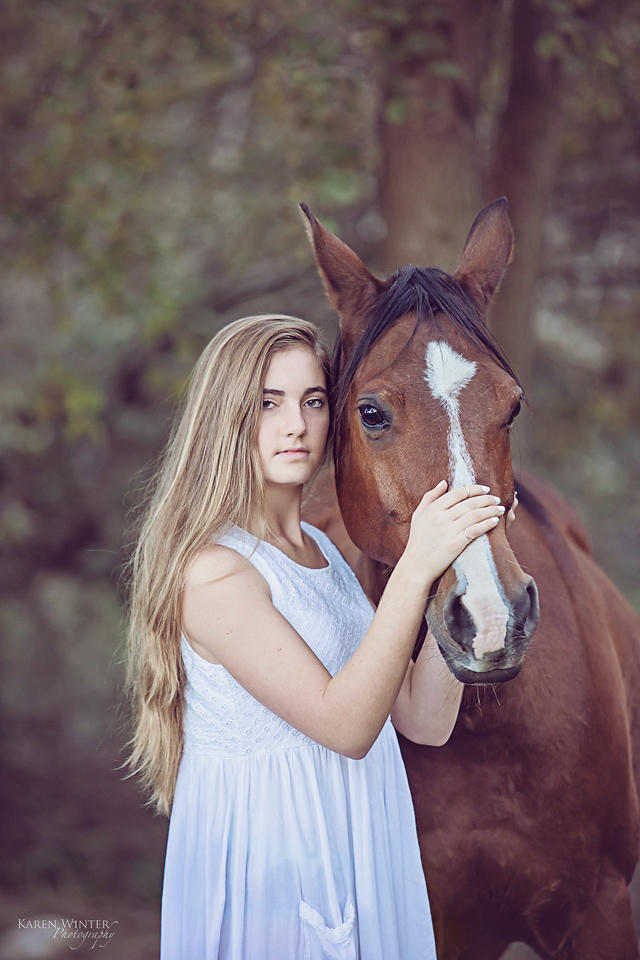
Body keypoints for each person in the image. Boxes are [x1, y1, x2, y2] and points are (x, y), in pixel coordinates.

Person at [125, 314, 507, 959]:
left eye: (313, 400)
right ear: (224, 417)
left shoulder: (323, 552)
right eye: (267, 403)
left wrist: (465, 577)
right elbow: (348, 726)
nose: (296, 424)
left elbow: (420, 720)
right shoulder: (215, 572)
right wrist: (417, 562)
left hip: (361, 842)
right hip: (281, 864)